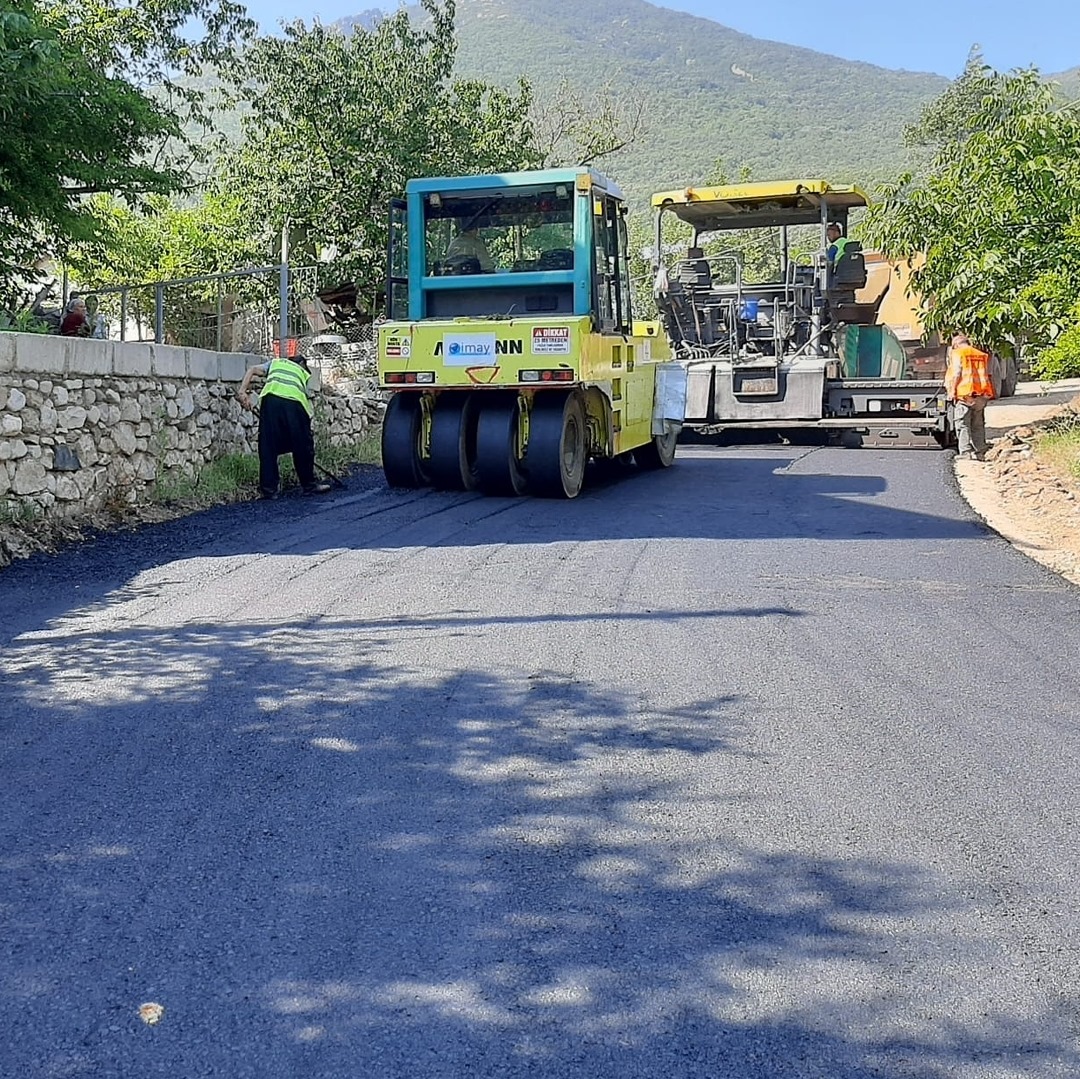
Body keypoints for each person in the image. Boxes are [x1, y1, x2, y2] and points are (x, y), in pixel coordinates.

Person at [237, 353, 332, 499]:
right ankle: (309, 486)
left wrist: (242, 392)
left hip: (270, 401)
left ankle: (269, 490)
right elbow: (304, 400)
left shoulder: (275, 363)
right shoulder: (302, 372)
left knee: (268, 445)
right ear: (302, 365)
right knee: (303, 445)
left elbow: (252, 369)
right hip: (294, 403)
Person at [945, 332, 996, 460]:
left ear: (956, 345)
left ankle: (965, 453)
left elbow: (957, 373)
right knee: (978, 424)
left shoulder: (958, 353)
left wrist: (951, 391)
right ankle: (981, 451)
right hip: (981, 394)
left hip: (965, 394)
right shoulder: (980, 355)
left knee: (962, 424)